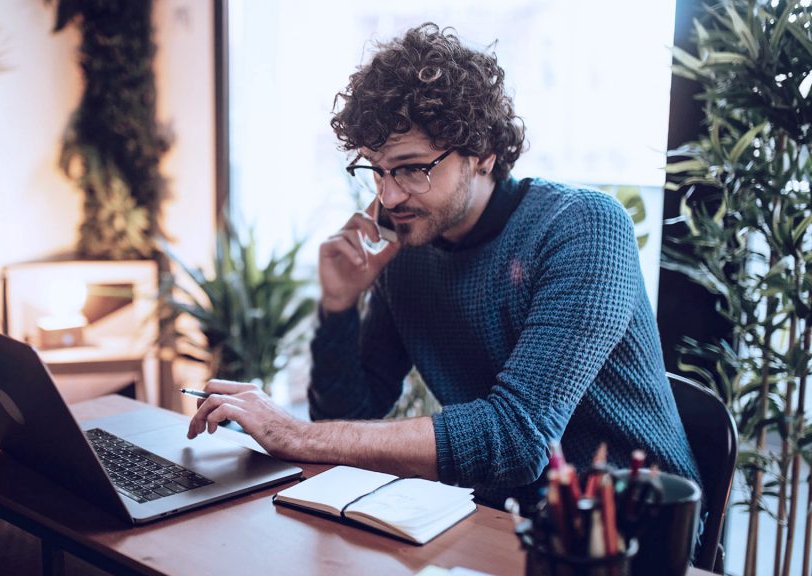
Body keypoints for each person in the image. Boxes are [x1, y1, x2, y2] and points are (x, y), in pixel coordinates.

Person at [187, 22, 700, 508]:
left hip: (635, 525)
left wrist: (293, 432)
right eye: (376, 170)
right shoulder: (405, 250)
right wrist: (340, 306)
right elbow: (348, 422)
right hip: (498, 517)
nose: (388, 196)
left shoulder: (582, 227)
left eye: (412, 168)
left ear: (484, 153)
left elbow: (517, 437)